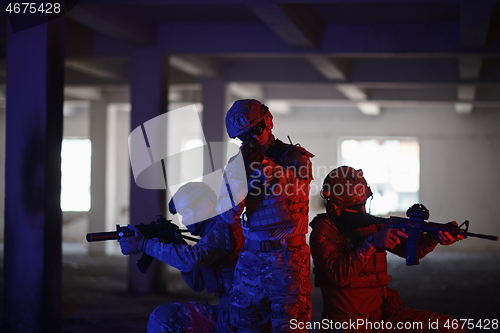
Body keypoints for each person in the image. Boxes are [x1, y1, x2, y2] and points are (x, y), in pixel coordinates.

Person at [309, 165, 466, 332]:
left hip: (381, 320)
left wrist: (434, 238)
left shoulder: (372, 225)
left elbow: (410, 251)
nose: (363, 211)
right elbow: (339, 276)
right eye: (359, 206)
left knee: (450, 327)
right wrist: (370, 244)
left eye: (363, 204)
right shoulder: (325, 230)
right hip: (348, 325)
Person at [217, 99, 314, 332]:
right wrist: (239, 180)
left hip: (287, 257)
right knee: (245, 324)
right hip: (252, 257)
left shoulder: (294, 157)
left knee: (289, 325)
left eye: (255, 130)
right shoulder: (237, 164)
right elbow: (228, 215)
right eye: (243, 136)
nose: (251, 138)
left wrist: (264, 167)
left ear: (268, 121)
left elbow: (295, 188)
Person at [119, 182, 243, 333]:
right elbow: (196, 283)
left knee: (166, 320)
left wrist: (145, 245)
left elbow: (193, 259)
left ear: (205, 203)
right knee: (167, 318)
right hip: (231, 314)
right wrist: (175, 242)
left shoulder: (227, 227)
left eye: (186, 212)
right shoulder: (211, 233)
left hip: (250, 319)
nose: (184, 221)